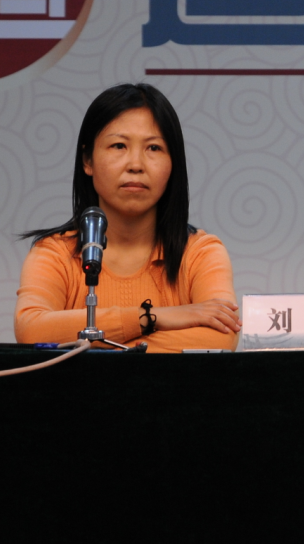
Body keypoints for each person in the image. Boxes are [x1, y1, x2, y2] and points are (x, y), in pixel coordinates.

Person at [14, 83, 241, 353]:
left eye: (153, 148)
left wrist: (94, 347)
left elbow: (221, 338)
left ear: (173, 163)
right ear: (87, 160)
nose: (135, 165)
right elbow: (32, 330)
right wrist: (151, 317)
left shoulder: (200, 253)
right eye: (119, 145)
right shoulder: (54, 254)